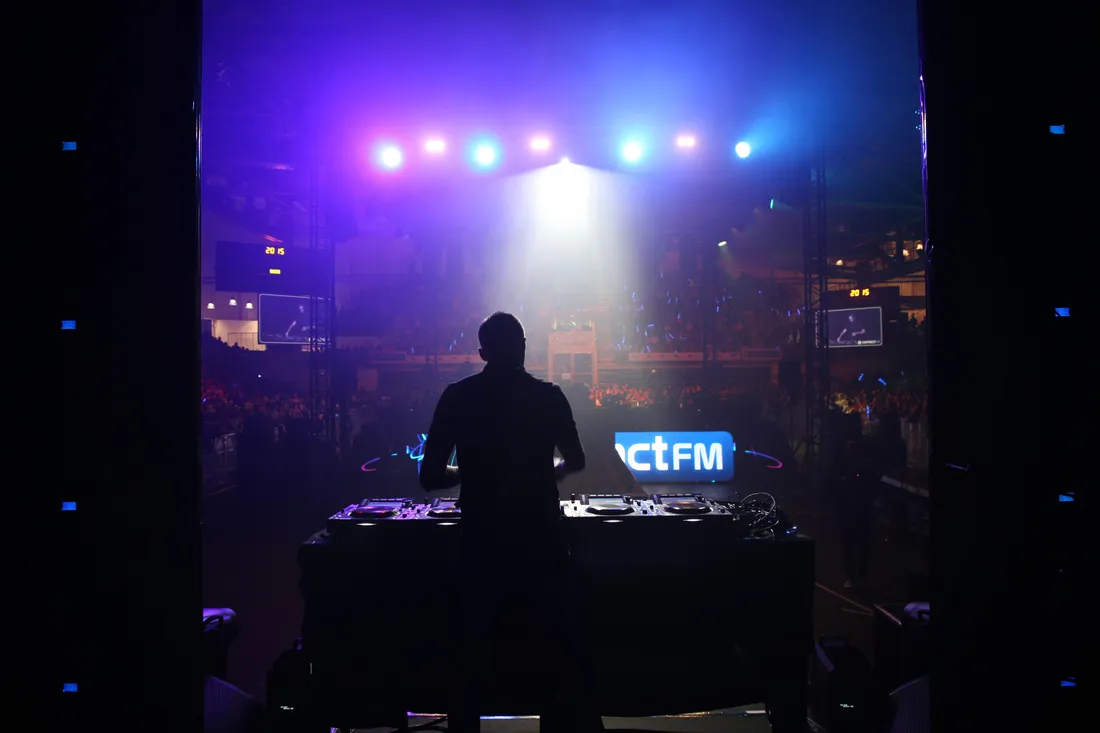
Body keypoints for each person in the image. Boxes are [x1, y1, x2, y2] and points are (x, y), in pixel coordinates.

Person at [419, 311, 600, 733]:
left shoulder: (457, 396)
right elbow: (576, 460)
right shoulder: (549, 396)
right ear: (524, 346)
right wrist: (547, 470)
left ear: (483, 353)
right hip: (541, 545)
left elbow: (430, 477)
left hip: (481, 546)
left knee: (471, 658)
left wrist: (470, 470)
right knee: (555, 656)